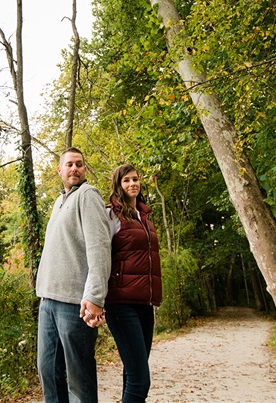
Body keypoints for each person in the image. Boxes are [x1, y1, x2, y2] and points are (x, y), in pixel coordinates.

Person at [36, 147, 112, 402]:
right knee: (49, 372)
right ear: (59, 170)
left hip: (74, 303)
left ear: (85, 169)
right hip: (48, 300)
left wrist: (95, 297)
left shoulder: (88, 195)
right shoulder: (59, 201)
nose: (74, 168)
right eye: (69, 164)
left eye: (79, 164)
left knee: (78, 381)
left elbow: (99, 248)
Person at [105, 164, 163, 403]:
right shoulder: (111, 215)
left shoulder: (144, 216)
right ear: (118, 185)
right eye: (126, 180)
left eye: (135, 179)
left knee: (133, 374)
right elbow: (99, 254)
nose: (132, 184)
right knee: (141, 379)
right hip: (121, 304)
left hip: (144, 304)